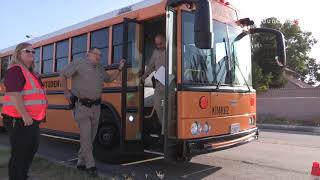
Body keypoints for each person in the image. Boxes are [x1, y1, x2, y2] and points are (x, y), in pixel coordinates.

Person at [60, 48, 125, 177]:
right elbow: (63, 74)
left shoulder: (100, 68)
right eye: (96, 54)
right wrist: (66, 92)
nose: (99, 57)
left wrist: (120, 69)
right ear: (88, 54)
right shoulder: (79, 62)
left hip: (96, 107)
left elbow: (109, 79)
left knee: (91, 136)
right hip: (81, 106)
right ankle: (90, 165)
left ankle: (80, 161)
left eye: (100, 55)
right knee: (86, 135)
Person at [1, 42, 48, 180]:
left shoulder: (32, 73)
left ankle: (22, 176)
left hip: (31, 120)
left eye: (34, 52)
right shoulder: (15, 70)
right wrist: (25, 115)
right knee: (20, 153)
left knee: (31, 149)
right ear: (18, 54)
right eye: (28, 51)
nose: (31, 54)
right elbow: (14, 94)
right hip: (18, 118)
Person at [141, 34, 166, 135]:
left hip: (170, 83)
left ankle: (165, 134)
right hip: (159, 83)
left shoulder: (172, 50)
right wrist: (144, 76)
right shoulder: (155, 52)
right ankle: (163, 128)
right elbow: (151, 65)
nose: (159, 46)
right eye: (157, 44)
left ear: (165, 41)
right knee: (158, 107)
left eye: (161, 43)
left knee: (166, 108)